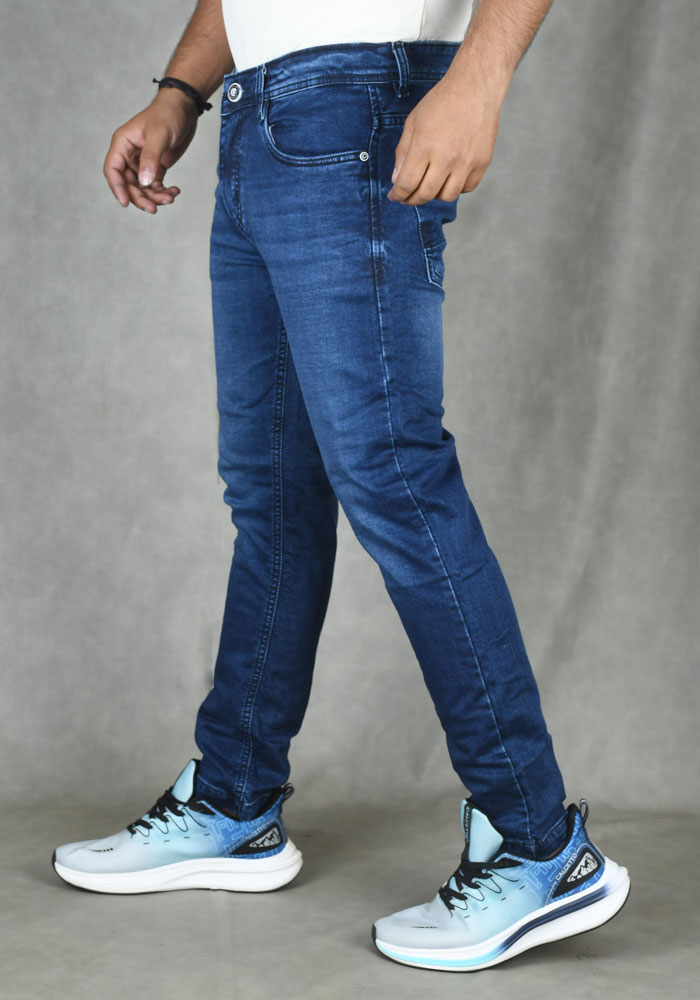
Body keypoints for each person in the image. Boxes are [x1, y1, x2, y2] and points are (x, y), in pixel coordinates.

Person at [52, 0, 630, 971]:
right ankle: (234, 799)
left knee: (395, 476)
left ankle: (539, 845)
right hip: (255, 116)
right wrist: (181, 92)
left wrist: (479, 78)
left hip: (358, 103)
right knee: (272, 492)